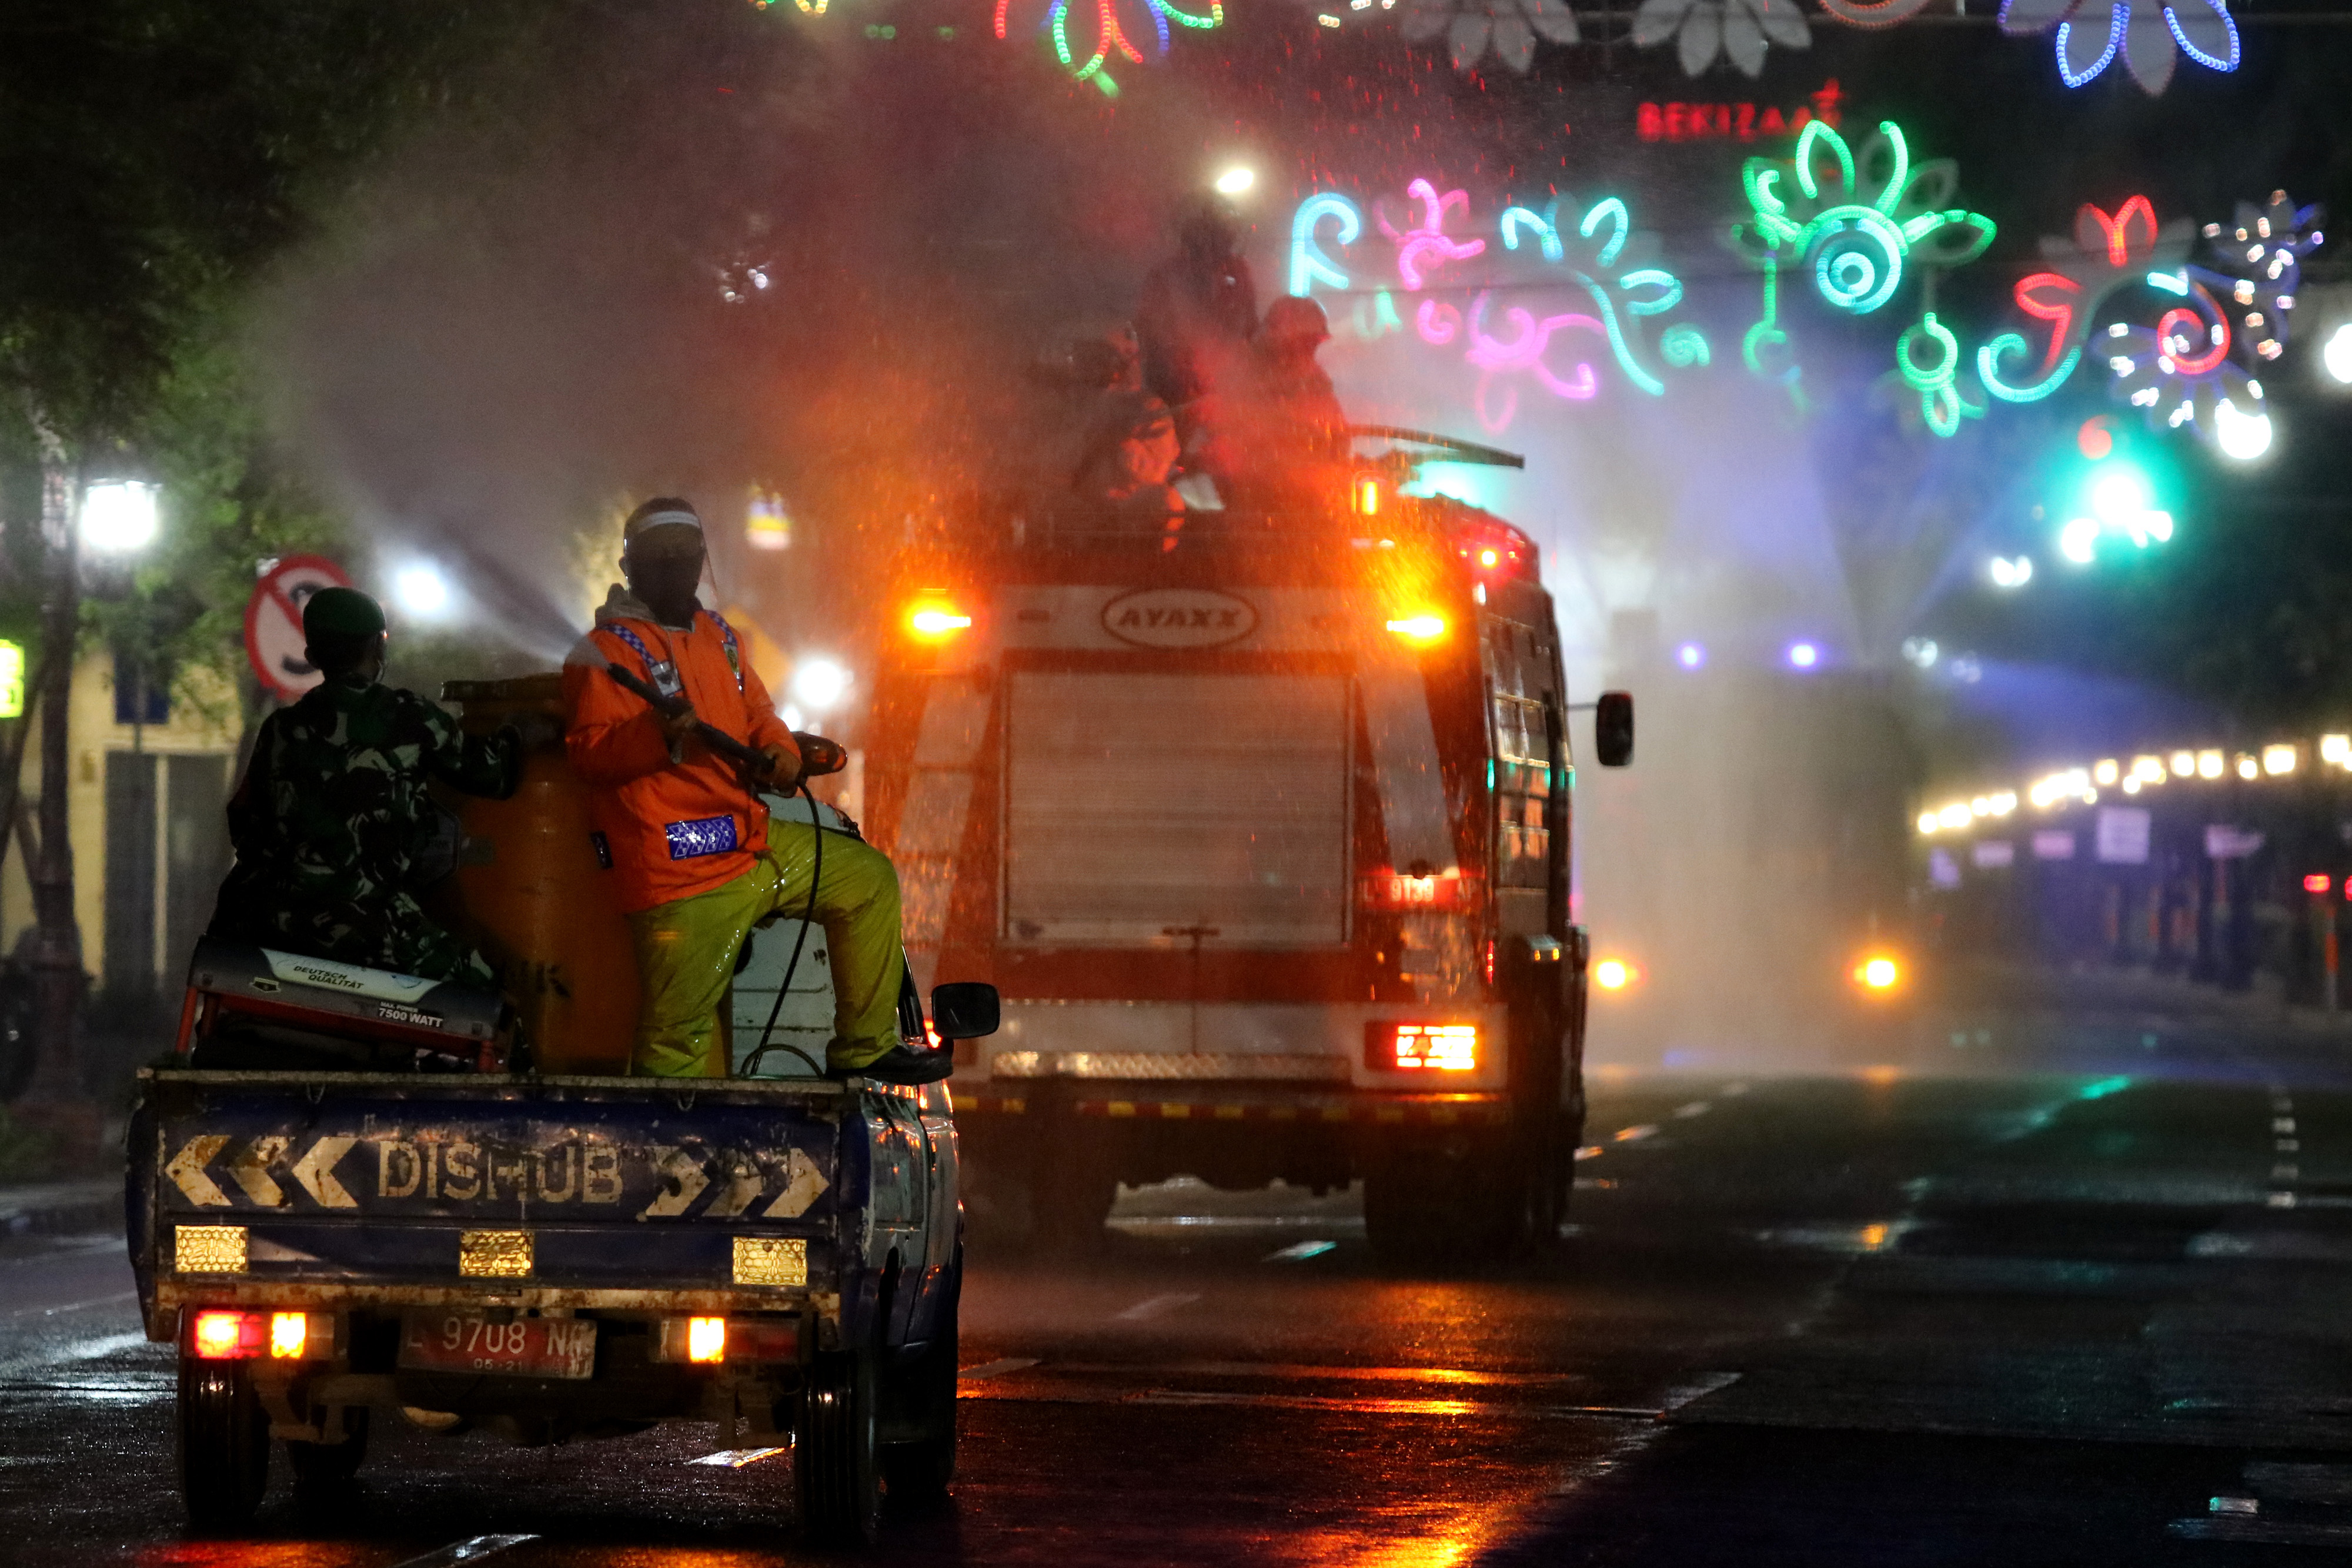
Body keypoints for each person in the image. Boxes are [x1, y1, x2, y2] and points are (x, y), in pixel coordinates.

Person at [562, 497, 945, 1084]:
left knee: (866, 880)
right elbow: (589, 754)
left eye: (684, 557)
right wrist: (653, 733)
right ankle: (668, 1152)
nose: (674, 570)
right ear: (630, 565)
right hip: (681, 866)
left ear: (701, 562)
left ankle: (864, 1049)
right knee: (675, 1040)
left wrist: (782, 754)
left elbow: (759, 713)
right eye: (659, 559)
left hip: (751, 843)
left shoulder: (722, 637)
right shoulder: (607, 652)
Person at [208, 586, 520, 985]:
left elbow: (245, 825)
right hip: (373, 929)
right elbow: (495, 774)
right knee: (490, 991)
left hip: (268, 922)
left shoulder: (280, 730)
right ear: (378, 648)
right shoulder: (412, 719)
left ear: (312, 657)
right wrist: (518, 731)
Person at [1135, 199, 1259, 427]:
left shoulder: (1238, 273)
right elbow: (1152, 334)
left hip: (1226, 392)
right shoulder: (1167, 277)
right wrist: (1184, 373)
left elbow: (1249, 327)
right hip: (1178, 394)